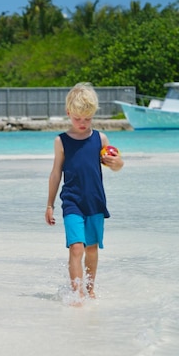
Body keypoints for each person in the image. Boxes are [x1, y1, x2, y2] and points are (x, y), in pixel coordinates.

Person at [45, 82, 124, 303]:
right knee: (76, 248)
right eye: (78, 118)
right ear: (69, 113)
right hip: (71, 203)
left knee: (91, 249)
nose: (82, 123)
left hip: (95, 203)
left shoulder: (100, 139)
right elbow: (55, 174)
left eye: (87, 119)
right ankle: (77, 293)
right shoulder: (61, 141)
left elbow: (116, 166)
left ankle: (89, 289)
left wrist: (117, 162)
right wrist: (50, 204)